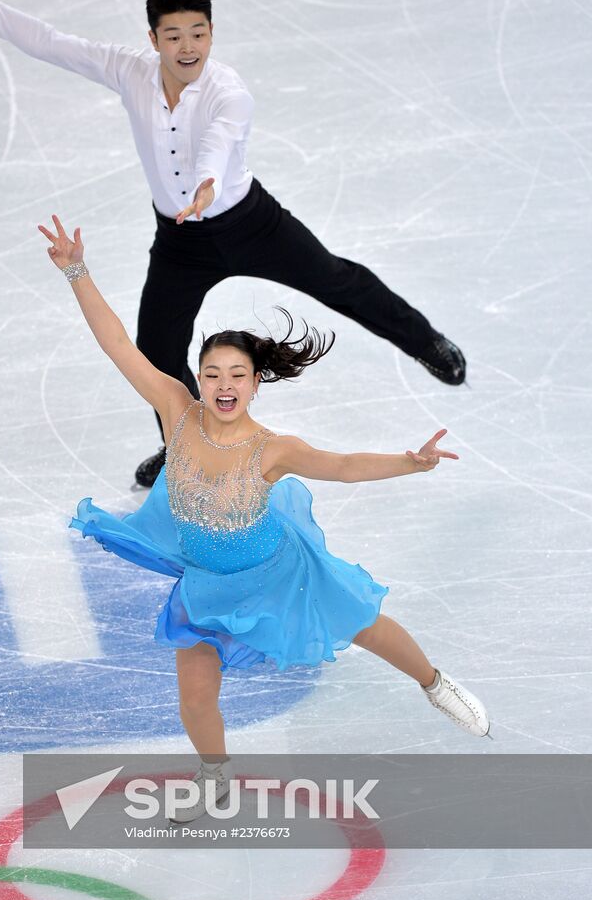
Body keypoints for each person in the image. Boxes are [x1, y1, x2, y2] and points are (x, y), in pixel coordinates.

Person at [0, 0, 468, 491]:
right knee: (156, 348)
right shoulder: (128, 71)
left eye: (198, 34)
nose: (188, 47)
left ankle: (426, 342)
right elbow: (52, 44)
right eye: (174, 36)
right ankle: (183, 447)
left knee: (339, 281)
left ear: (211, 34)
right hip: (180, 241)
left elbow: (220, 141)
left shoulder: (229, 92)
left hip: (250, 222)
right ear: (153, 40)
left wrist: (205, 184)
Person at [36, 212, 489, 823]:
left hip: (279, 574)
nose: (223, 385)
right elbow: (119, 342)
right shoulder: (176, 411)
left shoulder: (274, 448)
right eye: (212, 374)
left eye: (237, 376)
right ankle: (215, 778)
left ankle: (435, 682)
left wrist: (411, 463)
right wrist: (77, 273)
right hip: (208, 584)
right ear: (198, 378)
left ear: (255, 385)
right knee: (194, 702)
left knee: (364, 623)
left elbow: (347, 465)